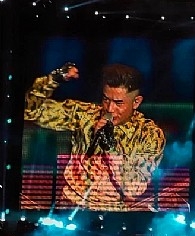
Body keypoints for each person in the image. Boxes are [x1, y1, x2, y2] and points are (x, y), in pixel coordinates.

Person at [24, 62, 166, 211]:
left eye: (118, 103)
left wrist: (111, 149)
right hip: (70, 203)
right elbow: (30, 112)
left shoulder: (149, 134)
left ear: (136, 102)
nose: (110, 108)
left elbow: (134, 189)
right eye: (106, 99)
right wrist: (53, 79)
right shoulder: (85, 115)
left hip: (113, 211)